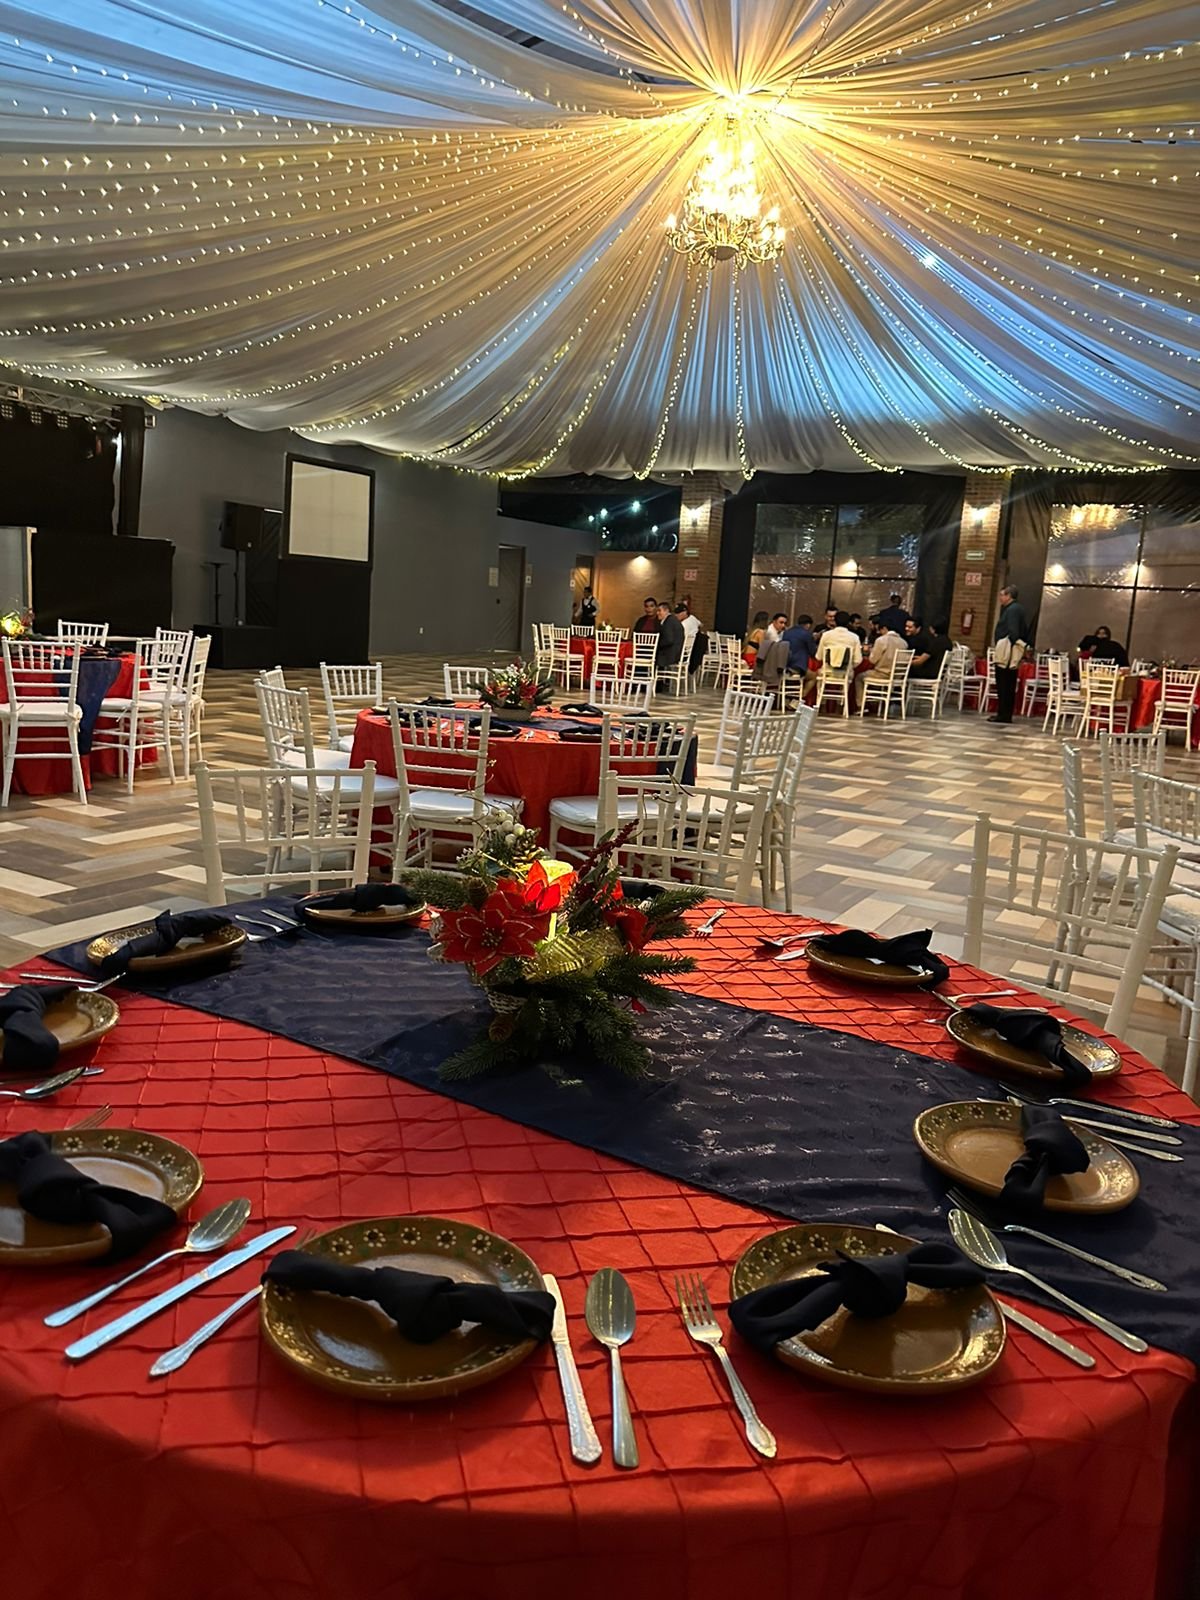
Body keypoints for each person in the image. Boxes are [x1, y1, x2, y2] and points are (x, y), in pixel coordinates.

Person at [989, 584, 1030, 725]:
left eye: (1002, 595)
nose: (1000, 598)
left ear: (1009, 596)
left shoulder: (1012, 610)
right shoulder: (1017, 609)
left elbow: (1013, 631)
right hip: (1010, 652)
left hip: (1007, 653)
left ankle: (1004, 714)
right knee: (1008, 684)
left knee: (1004, 683)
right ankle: (1004, 713)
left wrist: (1014, 643)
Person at [904, 616, 949, 680]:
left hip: (929, 673)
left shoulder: (935, 642)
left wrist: (903, 662)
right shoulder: (947, 641)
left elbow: (919, 662)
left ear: (933, 629)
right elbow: (933, 656)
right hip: (938, 672)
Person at [655, 601, 685, 670]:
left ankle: (650, 675)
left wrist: (656, 644)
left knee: (648, 654)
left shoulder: (669, 622)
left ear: (666, 611)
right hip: (676, 653)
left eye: (659, 611)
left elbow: (668, 640)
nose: (657, 613)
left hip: (671, 655)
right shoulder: (673, 620)